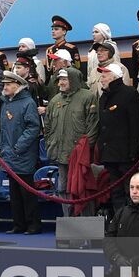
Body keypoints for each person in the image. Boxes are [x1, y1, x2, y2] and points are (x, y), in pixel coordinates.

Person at [43, 66, 98, 216]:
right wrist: (50, 144)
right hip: (61, 155)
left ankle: (86, 223)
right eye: (59, 79)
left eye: (64, 79)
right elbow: (47, 127)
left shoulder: (87, 97)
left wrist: (86, 150)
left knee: (82, 189)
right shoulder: (55, 100)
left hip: (80, 156)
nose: (60, 82)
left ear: (73, 79)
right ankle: (69, 222)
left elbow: (93, 126)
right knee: (62, 188)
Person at [0, 73, 43, 234]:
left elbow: (33, 127)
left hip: (23, 154)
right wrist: (1, 148)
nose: (5, 87)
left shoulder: (27, 102)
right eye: (4, 85)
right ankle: (18, 224)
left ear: (17, 85)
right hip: (9, 153)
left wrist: (18, 147)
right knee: (14, 193)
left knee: (26, 192)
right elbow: (3, 129)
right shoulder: (6, 104)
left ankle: (33, 224)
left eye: (8, 84)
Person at [97, 64, 139, 218]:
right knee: (115, 191)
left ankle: (132, 221)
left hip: (125, 154)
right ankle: (119, 221)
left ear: (114, 76)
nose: (101, 79)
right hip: (109, 153)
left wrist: (133, 152)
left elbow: (135, 125)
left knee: (130, 189)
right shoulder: (103, 97)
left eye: (104, 76)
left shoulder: (130, 94)